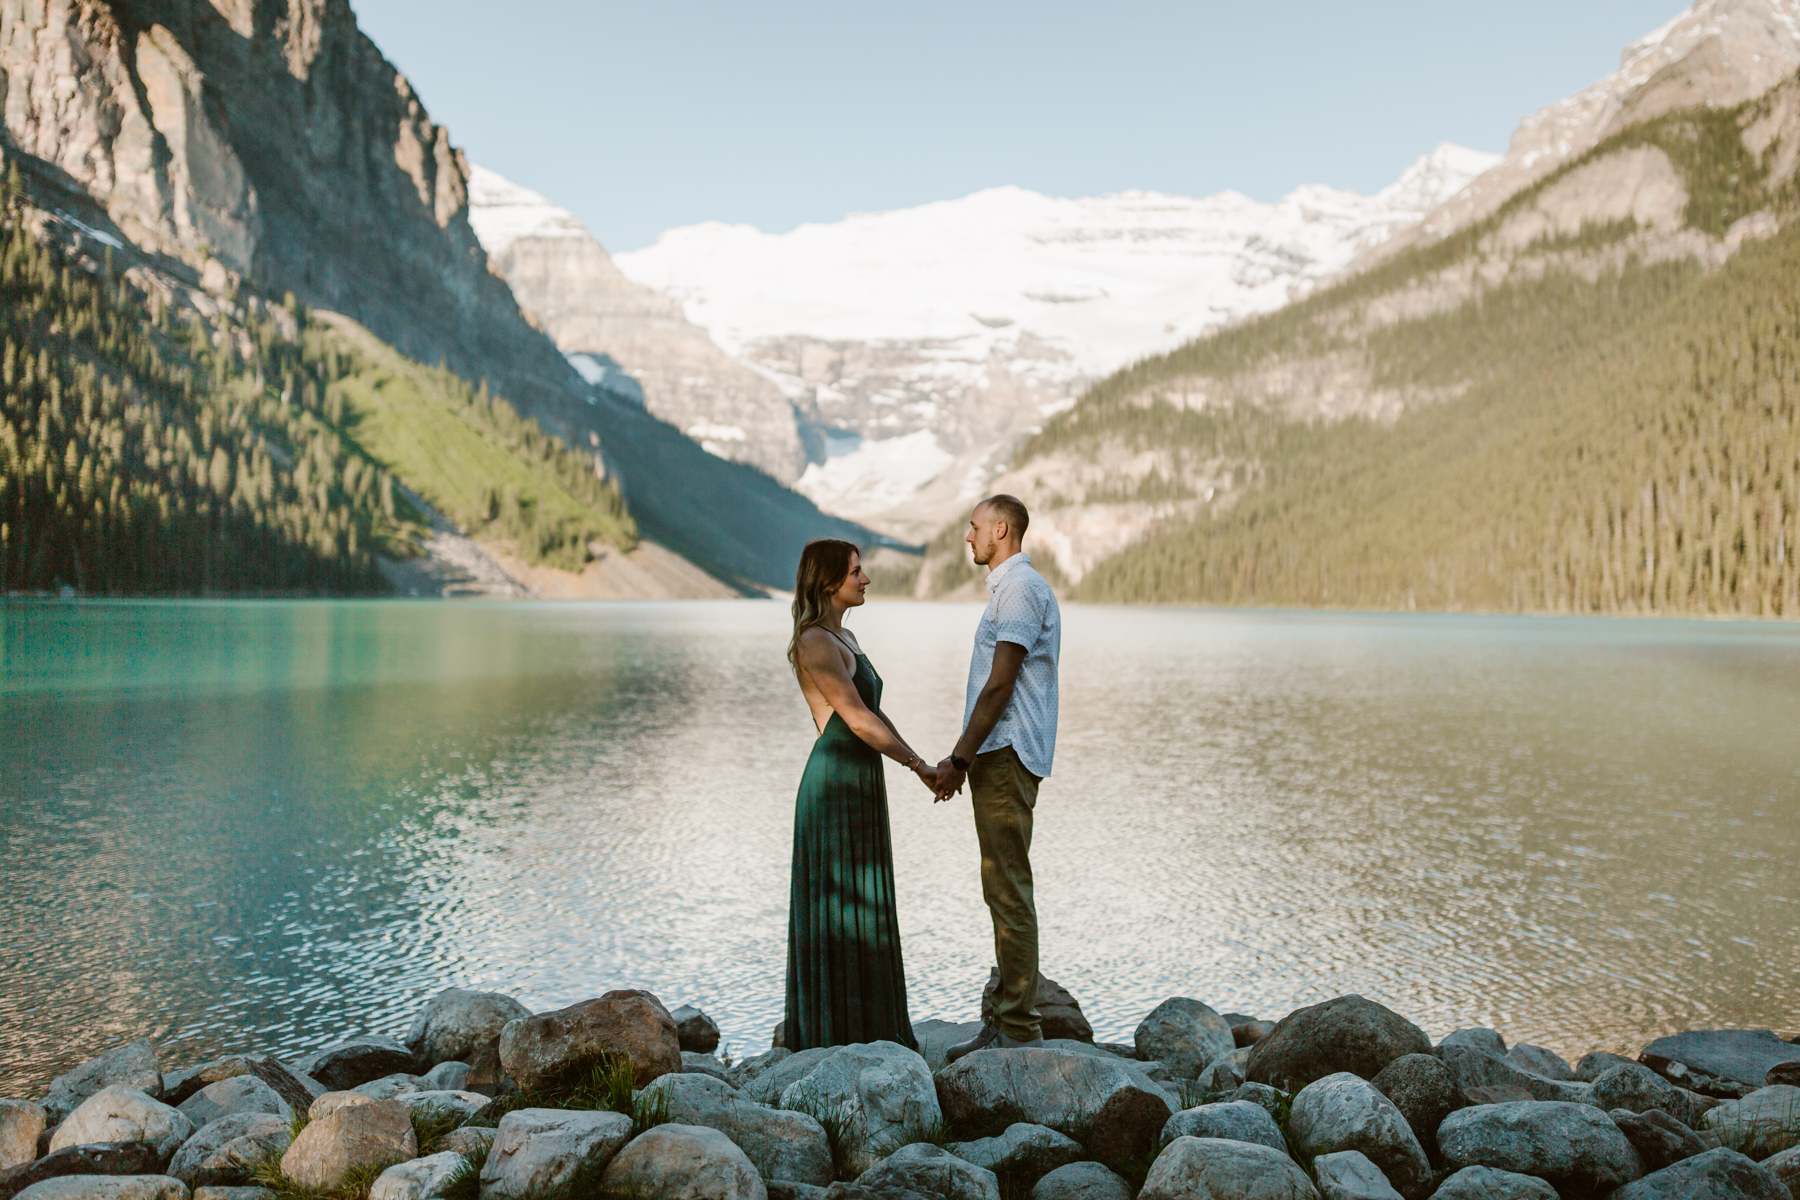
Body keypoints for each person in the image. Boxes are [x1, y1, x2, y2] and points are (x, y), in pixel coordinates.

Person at [782, 538, 936, 1050]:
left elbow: (876, 715)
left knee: (866, 904)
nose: (865, 578)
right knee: (839, 907)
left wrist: (923, 764)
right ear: (828, 582)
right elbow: (854, 717)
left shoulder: (845, 637)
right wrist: (917, 766)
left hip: (859, 781)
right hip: (834, 788)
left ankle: (872, 1030)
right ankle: (833, 1038)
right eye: (855, 572)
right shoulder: (815, 641)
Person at [936, 495, 1061, 1061]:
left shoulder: (1018, 589)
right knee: (1001, 885)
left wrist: (959, 758)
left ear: (1002, 530)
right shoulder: (1011, 589)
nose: (968, 537)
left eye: (974, 527)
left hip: (1005, 753)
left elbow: (1000, 684)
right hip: (999, 753)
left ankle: (1017, 1030)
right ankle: (1008, 1017)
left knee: (1008, 888)